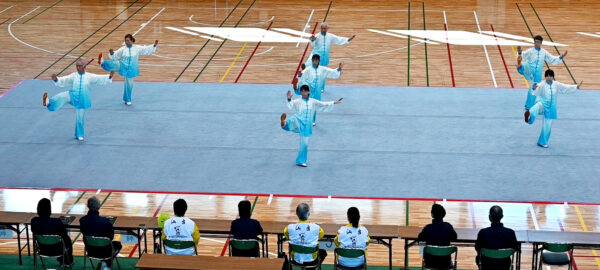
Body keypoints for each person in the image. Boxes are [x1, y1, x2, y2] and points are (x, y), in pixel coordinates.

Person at [43, 59, 114, 141]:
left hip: (82, 100)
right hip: (73, 95)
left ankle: (79, 134)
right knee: (62, 96)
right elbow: (65, 79)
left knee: (80, 118)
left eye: (79, 66)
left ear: (84, 66)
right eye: (77, 65)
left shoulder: (89, 76)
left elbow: (99, 79)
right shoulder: (73, 75)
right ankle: (49, 103)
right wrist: (56, 79)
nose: (78, 67)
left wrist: (110, 76)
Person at [281, 85, 343, 167]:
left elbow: (323, 104)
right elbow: (290, 105)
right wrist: (289, 99)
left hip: (307, 126)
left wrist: (334, 102)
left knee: (305, 144)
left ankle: (300, 161)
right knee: (292, 121)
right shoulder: (298, 101)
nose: (303, 92)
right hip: (298, 120)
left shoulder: (313, 101)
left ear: (308, 92)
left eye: (304, 90)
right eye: (302, 91)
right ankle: (284, 123)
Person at [524, 69, 582, 148]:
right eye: (547, 76)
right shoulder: (543, 84)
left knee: (547, 126)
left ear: (553, 77)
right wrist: (534, 87)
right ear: (545, 77)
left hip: (551, 109)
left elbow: (565, 87)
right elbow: (536, 89)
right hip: (543, 104)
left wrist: (576, 86)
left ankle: (542, 142)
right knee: (536, 106)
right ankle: (529, 115)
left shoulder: (556, 84)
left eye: (550, 76)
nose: (548, 77)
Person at [98, 34, 158, 105]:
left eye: (128, 40)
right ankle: (103, 62)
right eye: (125, 41)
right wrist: (111, 53)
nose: (126, 42)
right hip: (123, 66)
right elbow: (115, 56)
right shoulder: (123, 49)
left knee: (129, 84)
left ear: (132, 41)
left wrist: (154, 45)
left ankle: (127, 99)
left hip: (131, 70)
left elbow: (146, 50)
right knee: (115, 64)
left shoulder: (137, 48)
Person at [516, 35, 566, 109]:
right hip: (530, 71)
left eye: (538, 42)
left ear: (541, 43)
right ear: (534, 42)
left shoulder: (544, 52)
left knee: (533, 90)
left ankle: (529, 106)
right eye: (536, 42)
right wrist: (520, 53)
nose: (537, 43)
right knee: (524, 65)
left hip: (537, 75)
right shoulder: (530, 51)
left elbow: (552, 59)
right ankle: (520, 67)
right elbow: (523, 55)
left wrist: (560, 57)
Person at [296, 54, 342, 126]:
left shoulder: (322, 69)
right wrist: (299, 76)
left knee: (315, 106)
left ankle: (312, 120)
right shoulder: (308, 70)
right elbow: (302, 76)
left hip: (317, 92)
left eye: (316, 60)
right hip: (309, 91)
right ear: (312, 61)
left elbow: (331, 72)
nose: (315, 62)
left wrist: (338, 69)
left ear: (319, 61)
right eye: (313, 60)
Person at [79, 197, 122, 270]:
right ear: (99, 207)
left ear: (88, 206)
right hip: (104, 252)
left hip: (90, 250)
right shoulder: (105, 221)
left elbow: (83, 231)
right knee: (117, 244)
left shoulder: (82, 220)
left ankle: (105, 263)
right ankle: (106, 263)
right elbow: (111, 237)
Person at [31, 198, 74, 267]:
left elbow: (33, 231)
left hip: (42, 249)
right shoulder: (56, 221)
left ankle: (65, 261)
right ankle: (67, 262)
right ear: (49, 209)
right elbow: (64, 235)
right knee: (67, 240)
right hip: (57, 250)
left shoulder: (34, 221)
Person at [282, 203, 327, 268]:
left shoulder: (289, 228)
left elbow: (287, 236)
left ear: (297, 214)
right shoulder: (317, 228)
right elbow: (320, 236)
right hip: (312, 260)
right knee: (323, 252)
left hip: (295, 259)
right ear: (309, 214)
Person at [475, 206, 519, 270]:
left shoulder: (483, 232)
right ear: (502, 216)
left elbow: (478, 248)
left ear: (489, 217)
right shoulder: (510, 232)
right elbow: (514, 248)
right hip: (504, 265)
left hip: (486, 265)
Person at [418, 204, 457, 269]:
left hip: (430, 262)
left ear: (432, 214)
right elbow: (455, 237)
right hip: (445, 262)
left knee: (423, 248)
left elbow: (420, 237)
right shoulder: (448, 226)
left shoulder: (428, 228)